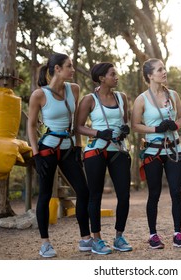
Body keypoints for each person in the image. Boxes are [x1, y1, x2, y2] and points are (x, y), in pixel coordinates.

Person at [27, 53, 93, 258]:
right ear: (56, 68)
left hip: (68, 148)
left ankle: (85, 239)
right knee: (45, 195)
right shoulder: (39, 95)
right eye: (69, 66)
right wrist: (36, 154)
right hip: (47, 149)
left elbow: (75, 122)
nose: (73, 69)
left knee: (83, 191)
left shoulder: (74, 89)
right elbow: (30, 125)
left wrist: (78, 147)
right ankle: (45, 243)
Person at [75, 62, 132, 254]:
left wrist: (126, 128)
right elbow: (79, 127)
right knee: (95, 196)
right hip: (96, 151)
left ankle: (119, 237)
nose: (116, 77)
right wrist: (99, 133)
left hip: (119, 150)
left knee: (124, 195)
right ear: (101, 78)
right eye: (112, 74)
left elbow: (127, 121)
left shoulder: (122, 97)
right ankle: (97, 239)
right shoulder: (89, 99)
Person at [131, 58, 181, 249]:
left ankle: (178, 233)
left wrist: (176, 124)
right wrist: (156, 129)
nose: (164, 72)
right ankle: (153, 235)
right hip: (153, 151)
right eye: (160, 69)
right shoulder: (141, 99)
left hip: (174, 150)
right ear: (149, 75)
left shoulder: (173, 95)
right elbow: (135, 126)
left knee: (176, 192)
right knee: (154, 193)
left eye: (164, 68)